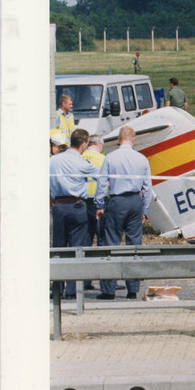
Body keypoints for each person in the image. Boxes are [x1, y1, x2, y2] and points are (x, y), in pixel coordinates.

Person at [94, 125, 153, 300]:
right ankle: (132, 289)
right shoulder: (142, 159)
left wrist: (99, 204)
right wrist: (144, 209)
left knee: (111, 244)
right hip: (135, 201)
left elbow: (102, 183)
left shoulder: (110, 158)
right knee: (135, 245)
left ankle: (109, 289)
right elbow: (147, 188)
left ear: (119, 139)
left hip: (117, 201)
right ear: (133, 140)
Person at [50, 128, 100, 299]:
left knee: (58, 248)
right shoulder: (82, 163)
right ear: (84, 144)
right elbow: (101, 176)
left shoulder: (53, 161)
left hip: (58, 206)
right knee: (76, 248)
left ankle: (56, 288)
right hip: (77, 206)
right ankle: (71, 292)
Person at [82, 134, 106, 247]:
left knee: (86, 234)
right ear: (99, 145)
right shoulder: (103, 158)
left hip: (82, 200)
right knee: (102, 234)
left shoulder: (80, 156)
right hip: (100, 200)